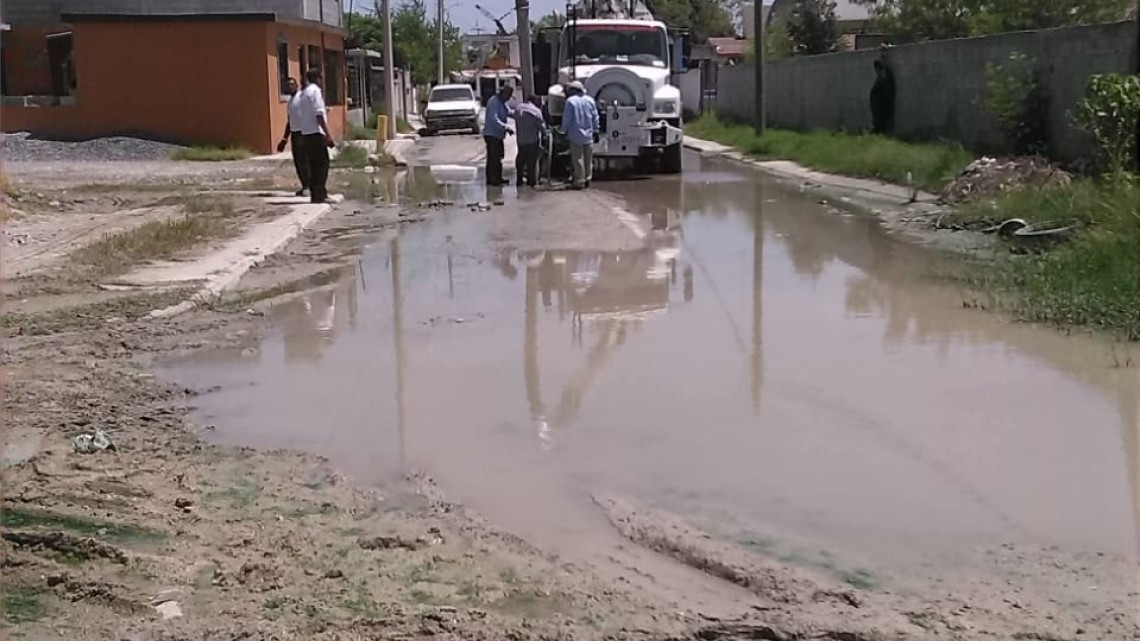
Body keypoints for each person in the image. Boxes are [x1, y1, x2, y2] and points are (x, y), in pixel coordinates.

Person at [294, 68, 336, 204]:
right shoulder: (315, 91)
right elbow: (319, 115)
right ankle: (321, 194)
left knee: (313, 165)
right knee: (322, 164)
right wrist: (328, 135)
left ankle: (315, 195)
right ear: (318, 78)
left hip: (306, 133)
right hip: (316, 133)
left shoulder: (303, 93)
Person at [562, 81, 599, 189]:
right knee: (588, 159)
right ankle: (588, 179)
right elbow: (595, 117)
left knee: (578, 159)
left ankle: (578, 181)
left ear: (574, 90)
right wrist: (596, 130)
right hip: (589, 135)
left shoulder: (570, 101)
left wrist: (564, 131)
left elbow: (567, 119)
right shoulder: (590, 100)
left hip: (575, 134)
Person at [276, 78, 309, 197]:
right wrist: (284, 139)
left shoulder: (301, 98)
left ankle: (309, 186)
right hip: (295, 134)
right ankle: (304, 185)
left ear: (296, 85)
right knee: (298, 162)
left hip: (303, 133)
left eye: (292, 84)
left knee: (305, 161)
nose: (290, 87)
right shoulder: (290, 102)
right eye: (288, 85)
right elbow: (290, 121)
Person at [482, 85, 514, 186]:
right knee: (493, 158)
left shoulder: (503, 103)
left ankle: (498, 178)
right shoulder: (494, 102)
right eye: (508, 96)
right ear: (503, 94)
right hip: (492, 134)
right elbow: (494, 119)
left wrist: (521, 112)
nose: (508, 98)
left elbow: (510, 112)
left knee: (499, 157)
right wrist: (506, 127)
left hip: (498, 135)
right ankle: (492, 179)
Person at [514, 95, 547, 187]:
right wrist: (546, 133)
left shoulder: (518, 108)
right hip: (532, 140)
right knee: (531, 162)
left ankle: (519, 179)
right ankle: (531, 181)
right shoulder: (536, 111)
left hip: (521, 140)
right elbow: (542, 127)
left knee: (520, 159)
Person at [870, 59, 896, 135]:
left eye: (877, 69)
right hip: (878, 107)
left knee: (881, 124)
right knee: (878, 124)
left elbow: (886, 93)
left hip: (883, 107)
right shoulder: (880, 78)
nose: (876, 72)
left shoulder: (885, 78)